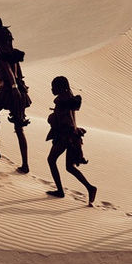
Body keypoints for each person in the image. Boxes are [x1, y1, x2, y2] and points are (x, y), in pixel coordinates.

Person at [0, 19, 31, 173]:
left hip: (8, 92)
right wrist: (18, 87)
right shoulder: (13, 53)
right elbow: (19, 73)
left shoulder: (3, 53)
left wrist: (14, 87)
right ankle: (25, 165)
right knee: (19, 128)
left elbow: (7, 70)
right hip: (17, 91)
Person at [44, 75, 96, 205]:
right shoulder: (68, 99)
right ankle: (90, 188)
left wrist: (52, 118)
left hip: (65, 136)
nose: (52, 89)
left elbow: (65, 121)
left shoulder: (63, 101)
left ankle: (60, 191)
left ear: (60, 87)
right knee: (69, 167)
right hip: (71, 136)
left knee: (51, 160)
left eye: (54, 86)